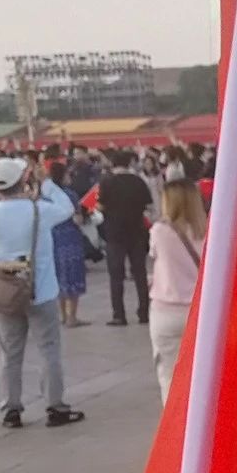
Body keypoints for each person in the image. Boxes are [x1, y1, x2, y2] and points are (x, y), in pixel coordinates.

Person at [0, 158, 84, 429]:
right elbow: (67, 208)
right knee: (49, 349)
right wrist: (46, 182)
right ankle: (55, 406)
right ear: (22, 180)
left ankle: (11, 408)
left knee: (10, 351)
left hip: (8, 291)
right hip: (41, 289)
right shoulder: (39, 210)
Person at [147, 178, 207, 405]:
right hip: (200, 311)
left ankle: (174, 422)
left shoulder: (159, 231)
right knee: (203, 375)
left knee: (169, 378)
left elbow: (155, 255)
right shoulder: (208, 231)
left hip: (166, 311)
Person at [98, 150, 153, 326]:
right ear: (129, 163)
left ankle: (119, 315)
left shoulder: (107, 182)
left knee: (116, 275)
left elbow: (101, 205)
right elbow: (148, 204)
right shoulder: (138, 181)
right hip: (137, 231)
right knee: (140, 273)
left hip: (115, 233)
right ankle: (144, 312)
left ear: (113, 164)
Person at [46, 161, 90, 330]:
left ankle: (62, 315)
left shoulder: (46, 195)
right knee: (73, 275)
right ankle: (72, 317)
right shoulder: (69, 195)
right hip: (70, 237)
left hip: (53, 238)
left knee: (58, 276)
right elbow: (77, 219)